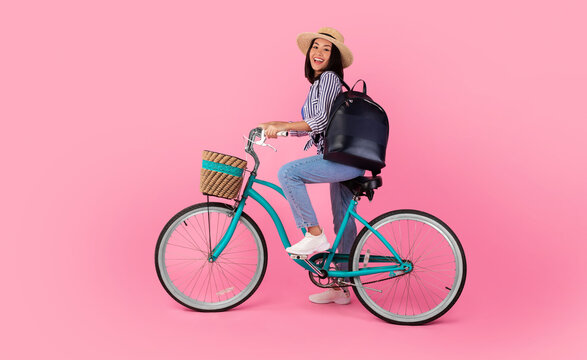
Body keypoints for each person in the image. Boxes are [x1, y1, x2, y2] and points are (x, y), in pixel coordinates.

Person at [259, 27, 364, 305]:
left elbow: (316, 123)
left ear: (334, 58)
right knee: (343, 222)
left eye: (326, 49)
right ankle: (342, 287)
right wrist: (277, 127)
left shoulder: (329, 78)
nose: (318, 52)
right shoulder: (318, 85)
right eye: (315, 47)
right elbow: (313, 126)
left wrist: (281, 126)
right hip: (346, 159)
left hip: (342, 159)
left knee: (288, 172)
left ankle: (314, 235)